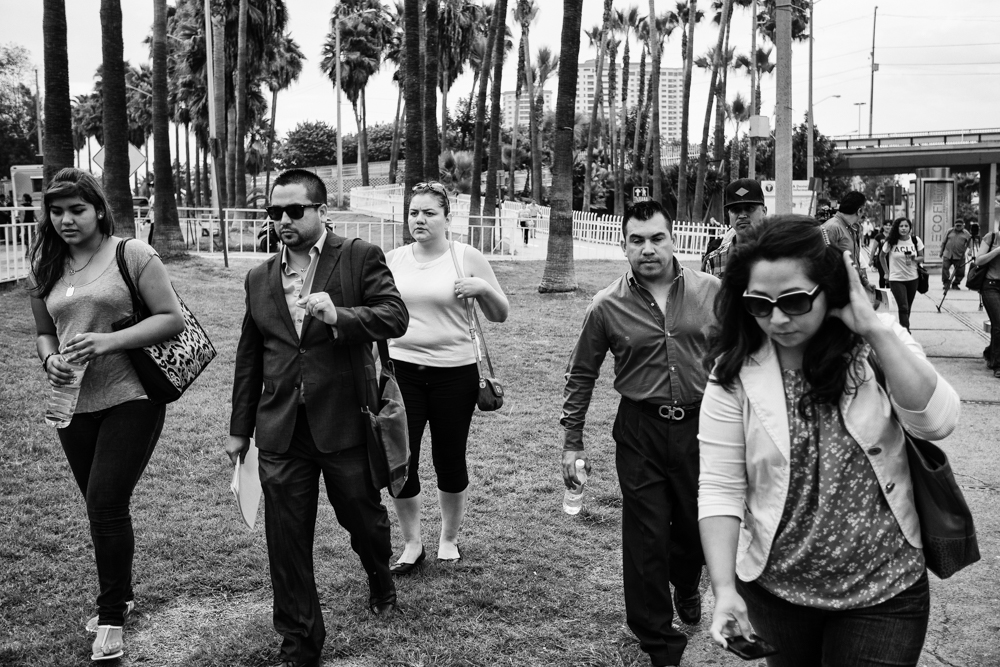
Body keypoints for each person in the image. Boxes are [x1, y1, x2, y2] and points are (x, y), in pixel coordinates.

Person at [698, 216, 960, 667]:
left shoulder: (875, 346)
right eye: (760, 304)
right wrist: (723, 590)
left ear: (829, 289)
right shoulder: (733, 374)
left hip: (886, 589)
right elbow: (720, 487)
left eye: (796, 300)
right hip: (778, 592)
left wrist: (874, 329)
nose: (777, 319)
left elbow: (938, 422)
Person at [227, 169, 408, 667]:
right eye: (273, 212)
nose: (282, 220)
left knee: (362, 517)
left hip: (344, 420)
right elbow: (250, 356)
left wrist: (341, 317)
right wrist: (239, 428)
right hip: (281, 428)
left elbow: (395, 317)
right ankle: (300, 644)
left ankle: (378, 572)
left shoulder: (357, 257)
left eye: (294, 211)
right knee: (285, 540)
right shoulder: (258, 277)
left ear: (321, 211)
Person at [27, 168, 185, 662]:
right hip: (73, 404)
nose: (66, 220)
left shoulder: (131, 253)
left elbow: (171, 318)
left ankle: (112, 617)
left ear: (98, 209)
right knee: (102, 509)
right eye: (57, 211)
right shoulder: (45, 264)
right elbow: (45, 332)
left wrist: (109, 341)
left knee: (105, 502)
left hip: (131, 396)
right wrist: (49, 358)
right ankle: (123, 594)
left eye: (76, 209)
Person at [562, 200, 720, 667]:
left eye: (657, 238)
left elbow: (739, 360)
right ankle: (659, 642)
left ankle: (687, 581)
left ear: (674, 240)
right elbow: (581, 373)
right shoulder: (606, 305)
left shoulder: (712, 292)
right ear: (624, 245)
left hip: (702, 428)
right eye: (637, 240)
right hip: (639, 430)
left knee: (696, 529)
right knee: (646, 535)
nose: (648, 248)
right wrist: (573, 441)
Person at [384, 181, 509, 572]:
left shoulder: (465, 256)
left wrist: (483, 288)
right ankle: (412, 543)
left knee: (449, 458)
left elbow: (500, 312)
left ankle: (449, 539)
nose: (419, 219)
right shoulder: (393, 259)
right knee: (402, 459)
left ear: (447, 218)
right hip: (401, 371)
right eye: (414, 212)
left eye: (429, 213)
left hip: (455, 374)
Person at [702, 178, 768, 278]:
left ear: (764, 212)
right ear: (729, 214)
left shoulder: (779, 256)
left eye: (749, 208)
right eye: (735, 210)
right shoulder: (713, 261)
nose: (742, 215)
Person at [881, 216, 925, 332]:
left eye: (906, 226)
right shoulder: (891, 241)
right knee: (903, 306)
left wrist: (915, 258)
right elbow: (881, 256)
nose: (904, 228)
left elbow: (922, 257)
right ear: (897, 228)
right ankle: (906, 331)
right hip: (896, 278)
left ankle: (903, 328)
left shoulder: (915, 240)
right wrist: (886, 272)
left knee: (908, 307)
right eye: (901, 226)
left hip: (913, 278)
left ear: (910, 228)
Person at [822, 191, 871, 290]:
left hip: (850, 287)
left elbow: (853, 262)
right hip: (837, 290)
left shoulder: (853, 228)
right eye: (863, 210)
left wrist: (864, 282)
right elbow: (824, 263)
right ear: (859, 211)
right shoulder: (832, 228)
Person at [974, 225, 1000, 378]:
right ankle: (997, 364)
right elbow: (979, 260)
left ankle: (991, 352)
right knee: (998, 324)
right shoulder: (991, 238)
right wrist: (997, 251)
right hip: (991, 286)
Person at [940, 218, 973, 290]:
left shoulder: (966, 233)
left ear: (963, 226)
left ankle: (955, 283)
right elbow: (944, 242)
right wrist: (941, 252)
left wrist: (970, 251)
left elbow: (970, 243)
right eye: (957, 225)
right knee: (945, 269)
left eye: (959, 226)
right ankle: (946, 283)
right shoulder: (949, 231)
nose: (958, 227)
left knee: (961, 272)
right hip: (948, 254)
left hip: (959, 255)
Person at [867, 220, 892, 289]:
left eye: (890, 225)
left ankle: (888, 292)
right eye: (886, 225)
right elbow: (873, 249)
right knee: (882, 276)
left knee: (890, 277)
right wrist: (870, 260)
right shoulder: (879, 236)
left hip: (891, 260)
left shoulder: (893, 236)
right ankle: (882, 291)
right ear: (883, 226)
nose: (888, 227)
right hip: (881, 260)